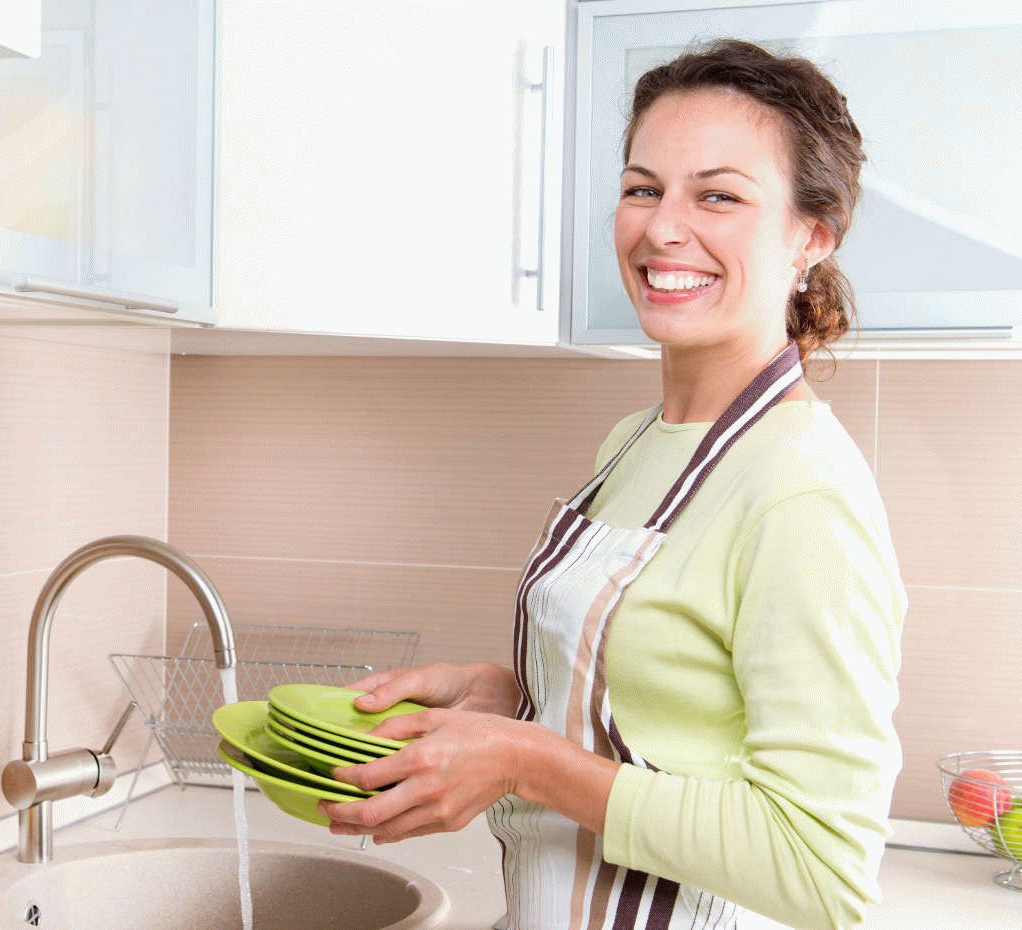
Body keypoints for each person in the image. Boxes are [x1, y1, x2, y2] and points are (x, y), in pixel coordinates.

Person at [318, 38, 905, 930]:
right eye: (642, 188)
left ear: (811, 236)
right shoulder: (635, 443)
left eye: (718, 195)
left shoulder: (802, 493)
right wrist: (516, 700)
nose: (663, 228)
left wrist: (524, 760)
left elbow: (821, 865)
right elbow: (672, 719)